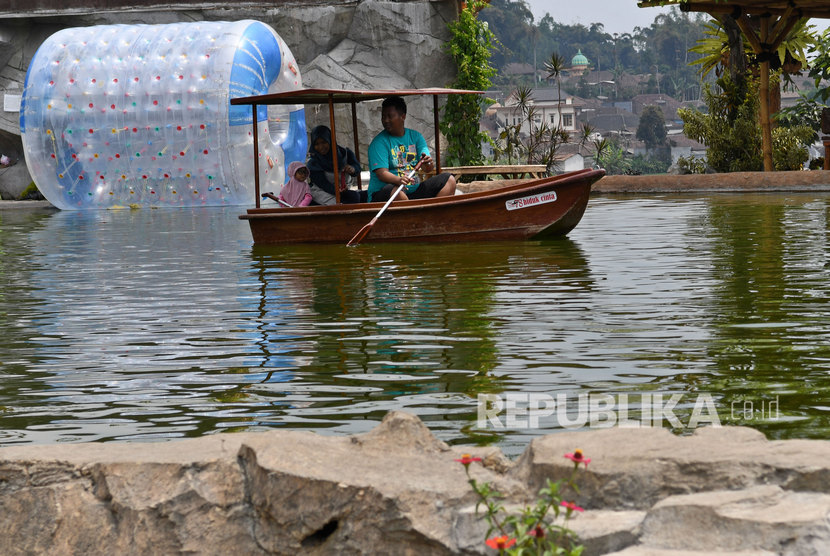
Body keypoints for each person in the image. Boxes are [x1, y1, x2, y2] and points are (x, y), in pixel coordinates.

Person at [367, 95, 456, 203]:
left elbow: (427, 168)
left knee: (449, 180)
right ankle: (417, 217)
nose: (385, 120)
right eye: (383, 116)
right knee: (396, 192)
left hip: (412, 191)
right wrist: (398, 180)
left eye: (390, 116)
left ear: (403, 116)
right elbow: (381, 174)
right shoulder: (379, 143)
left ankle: (433, 217)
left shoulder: (416, 137)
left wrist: (427, 163)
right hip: (386, 193)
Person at [306, 125, 366, 205]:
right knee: (350, 200)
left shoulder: (345, 153)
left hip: (342, 191)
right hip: (323, 193)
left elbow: (357, 168)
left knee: (365, 196)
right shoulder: (313, 163)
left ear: (330, 140)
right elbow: (324, 184)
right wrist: (338, 190)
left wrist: (352, 169)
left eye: (324, 142)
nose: (321, 147)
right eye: (317, 144)